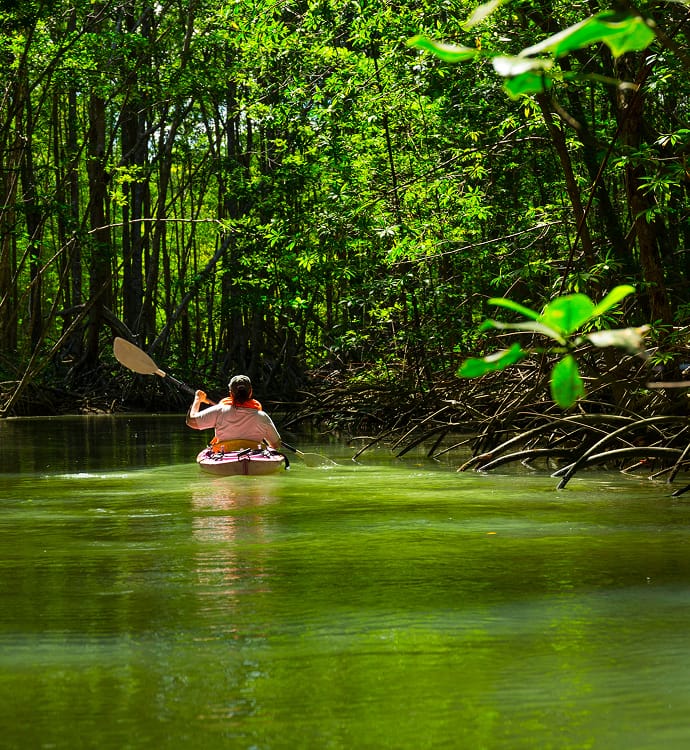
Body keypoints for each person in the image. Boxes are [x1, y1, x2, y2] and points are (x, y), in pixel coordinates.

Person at [186, 374, 281, 452]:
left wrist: (198, 399)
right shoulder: (262, 416)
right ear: (250, 392)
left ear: (231, 393)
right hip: (254, 454)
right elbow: (276, 444)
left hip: (224, 454)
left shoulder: (219, 410)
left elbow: (191, 421)